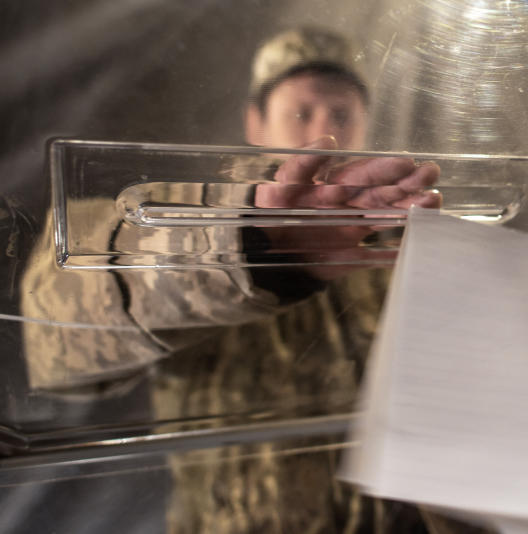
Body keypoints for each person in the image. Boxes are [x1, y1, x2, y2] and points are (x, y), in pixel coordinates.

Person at [19, 27, 477, 533]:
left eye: (342, 114)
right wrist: (246, 245)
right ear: (255, 123)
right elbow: (56, 329)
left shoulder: (407, 241)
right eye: (302, 112)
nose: (325, 130)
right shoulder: (176, 213)